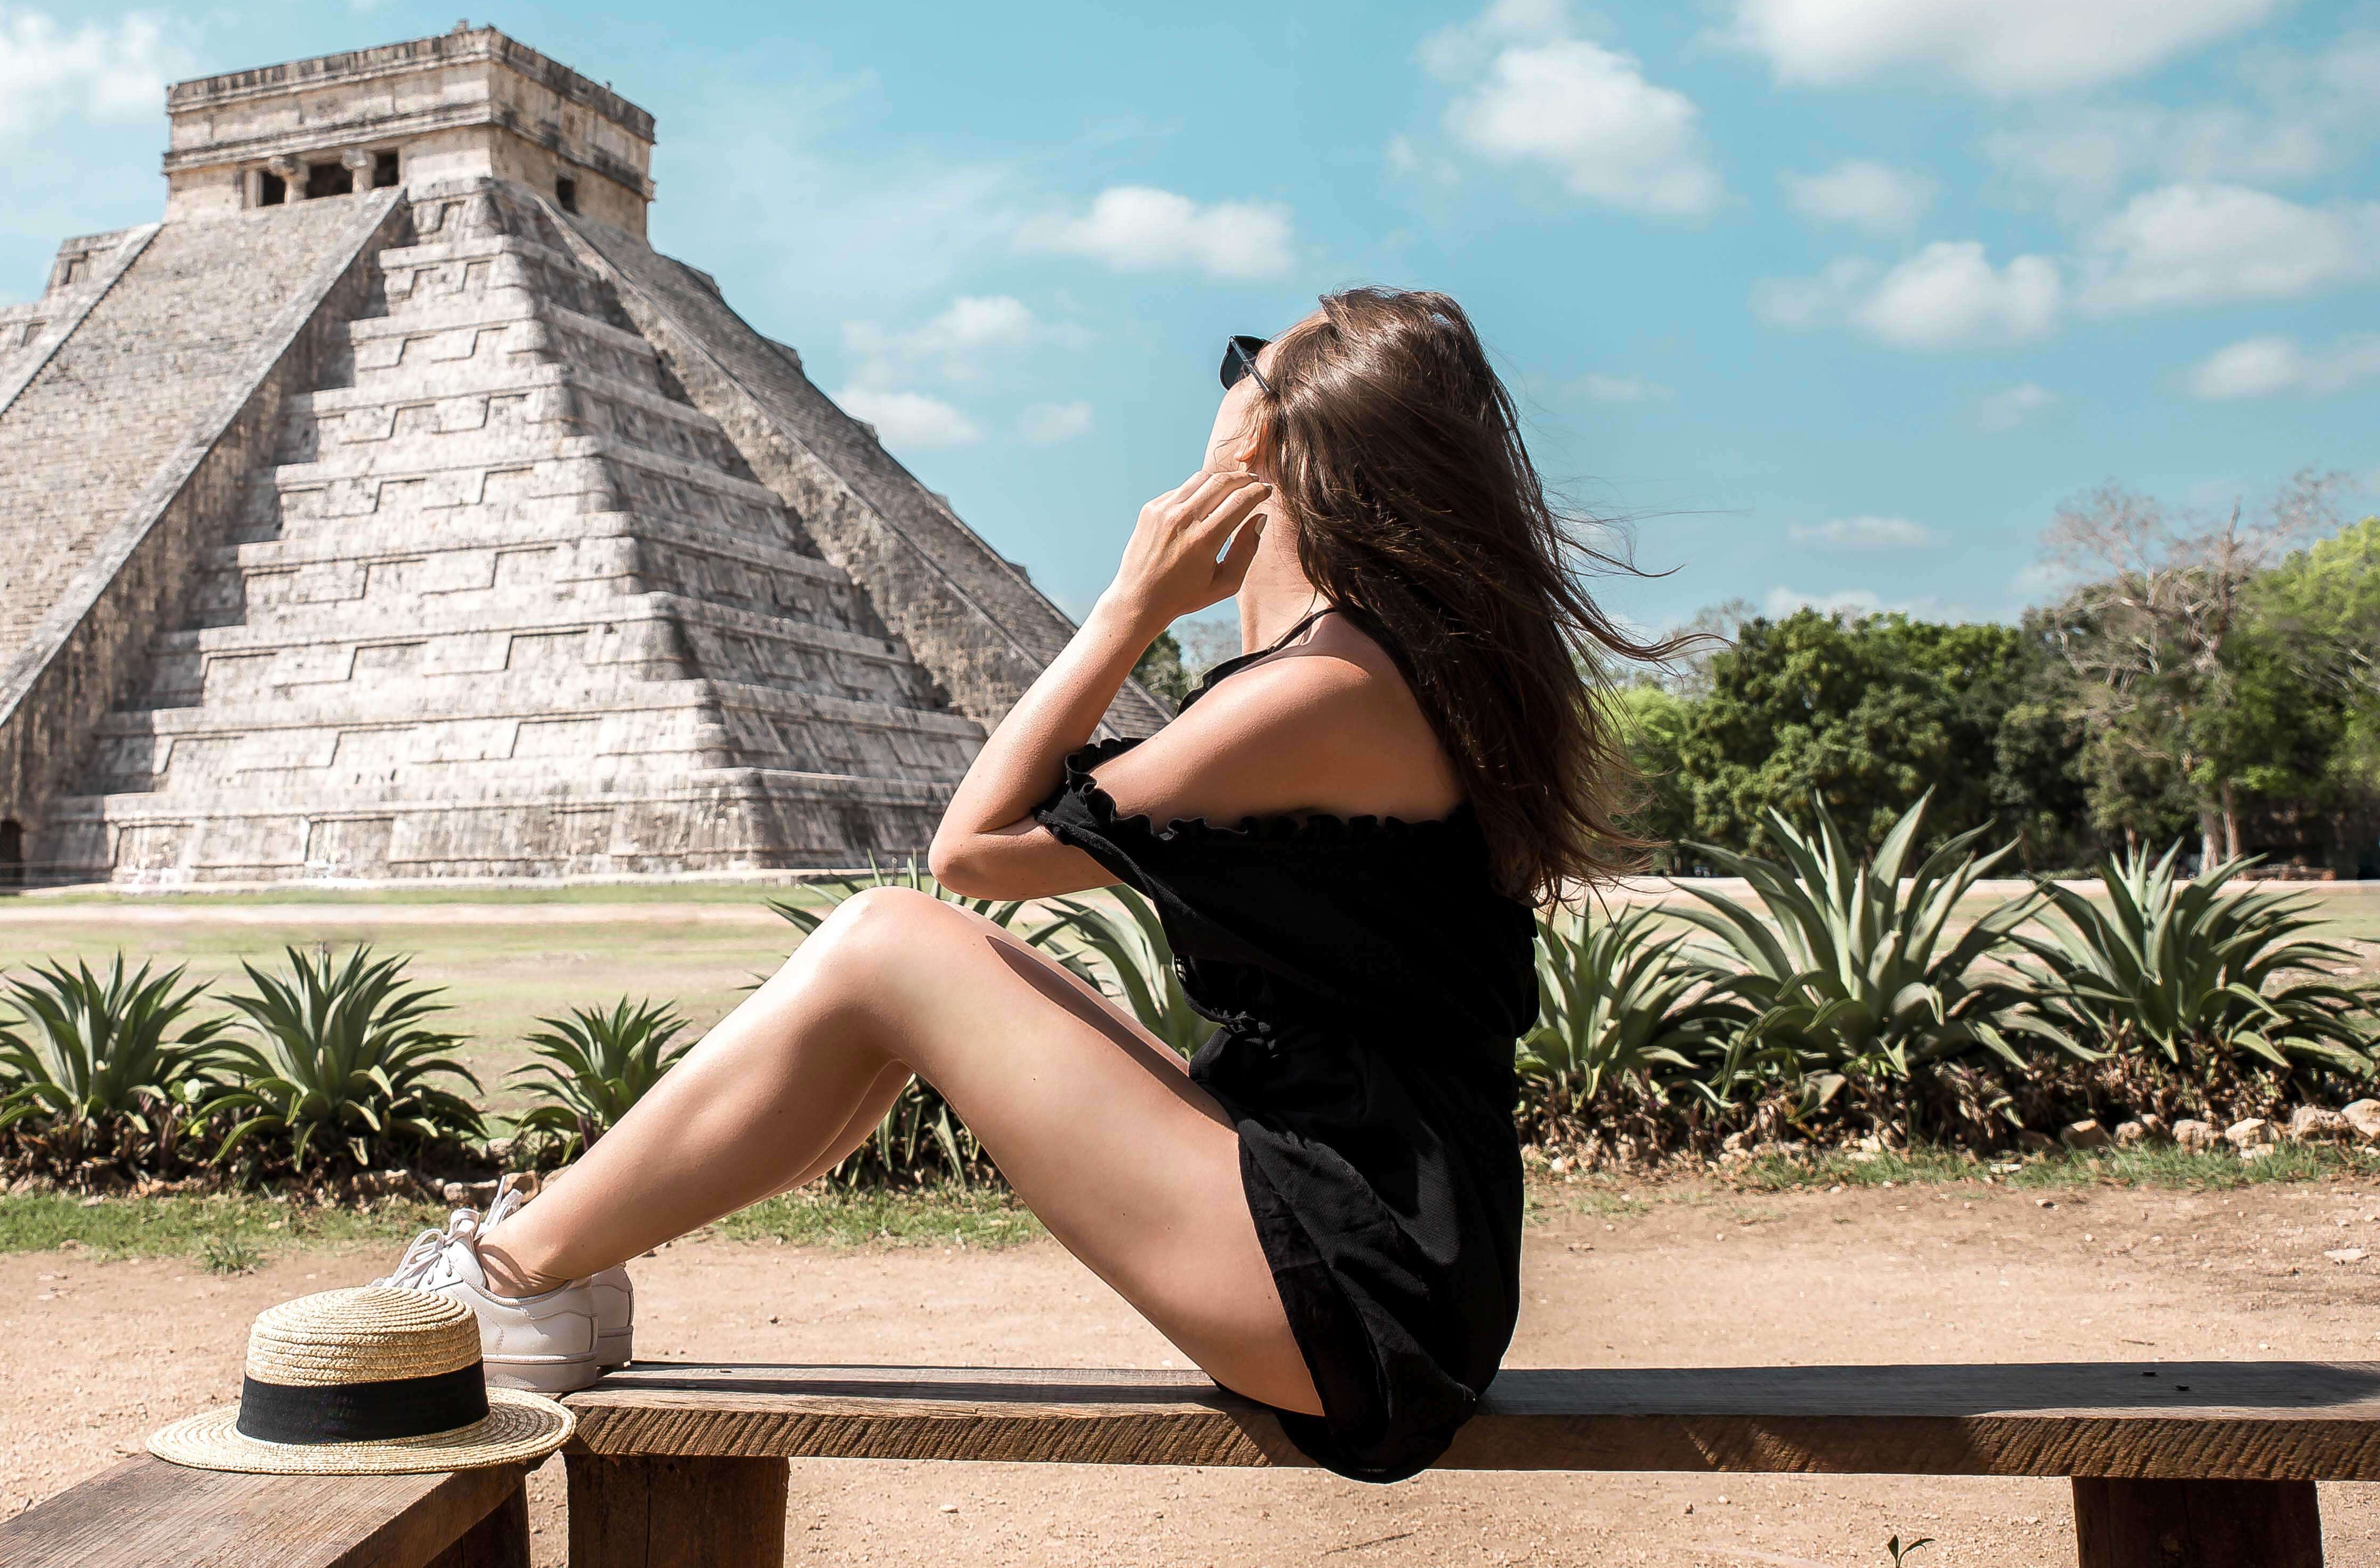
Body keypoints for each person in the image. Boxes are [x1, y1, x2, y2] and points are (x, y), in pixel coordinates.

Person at [380, 288, 1668, 1480]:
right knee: (901, 970)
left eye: (1241, 368)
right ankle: (547, 1272)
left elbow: (973, 847)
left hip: (1356, 1279)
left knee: (889, 937)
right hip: (1388, 1239)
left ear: (1274, 445)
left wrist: (1127, 605)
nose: (1217, 388)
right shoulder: (1379, 668)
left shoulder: (1316, 693)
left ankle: (507, 1277)